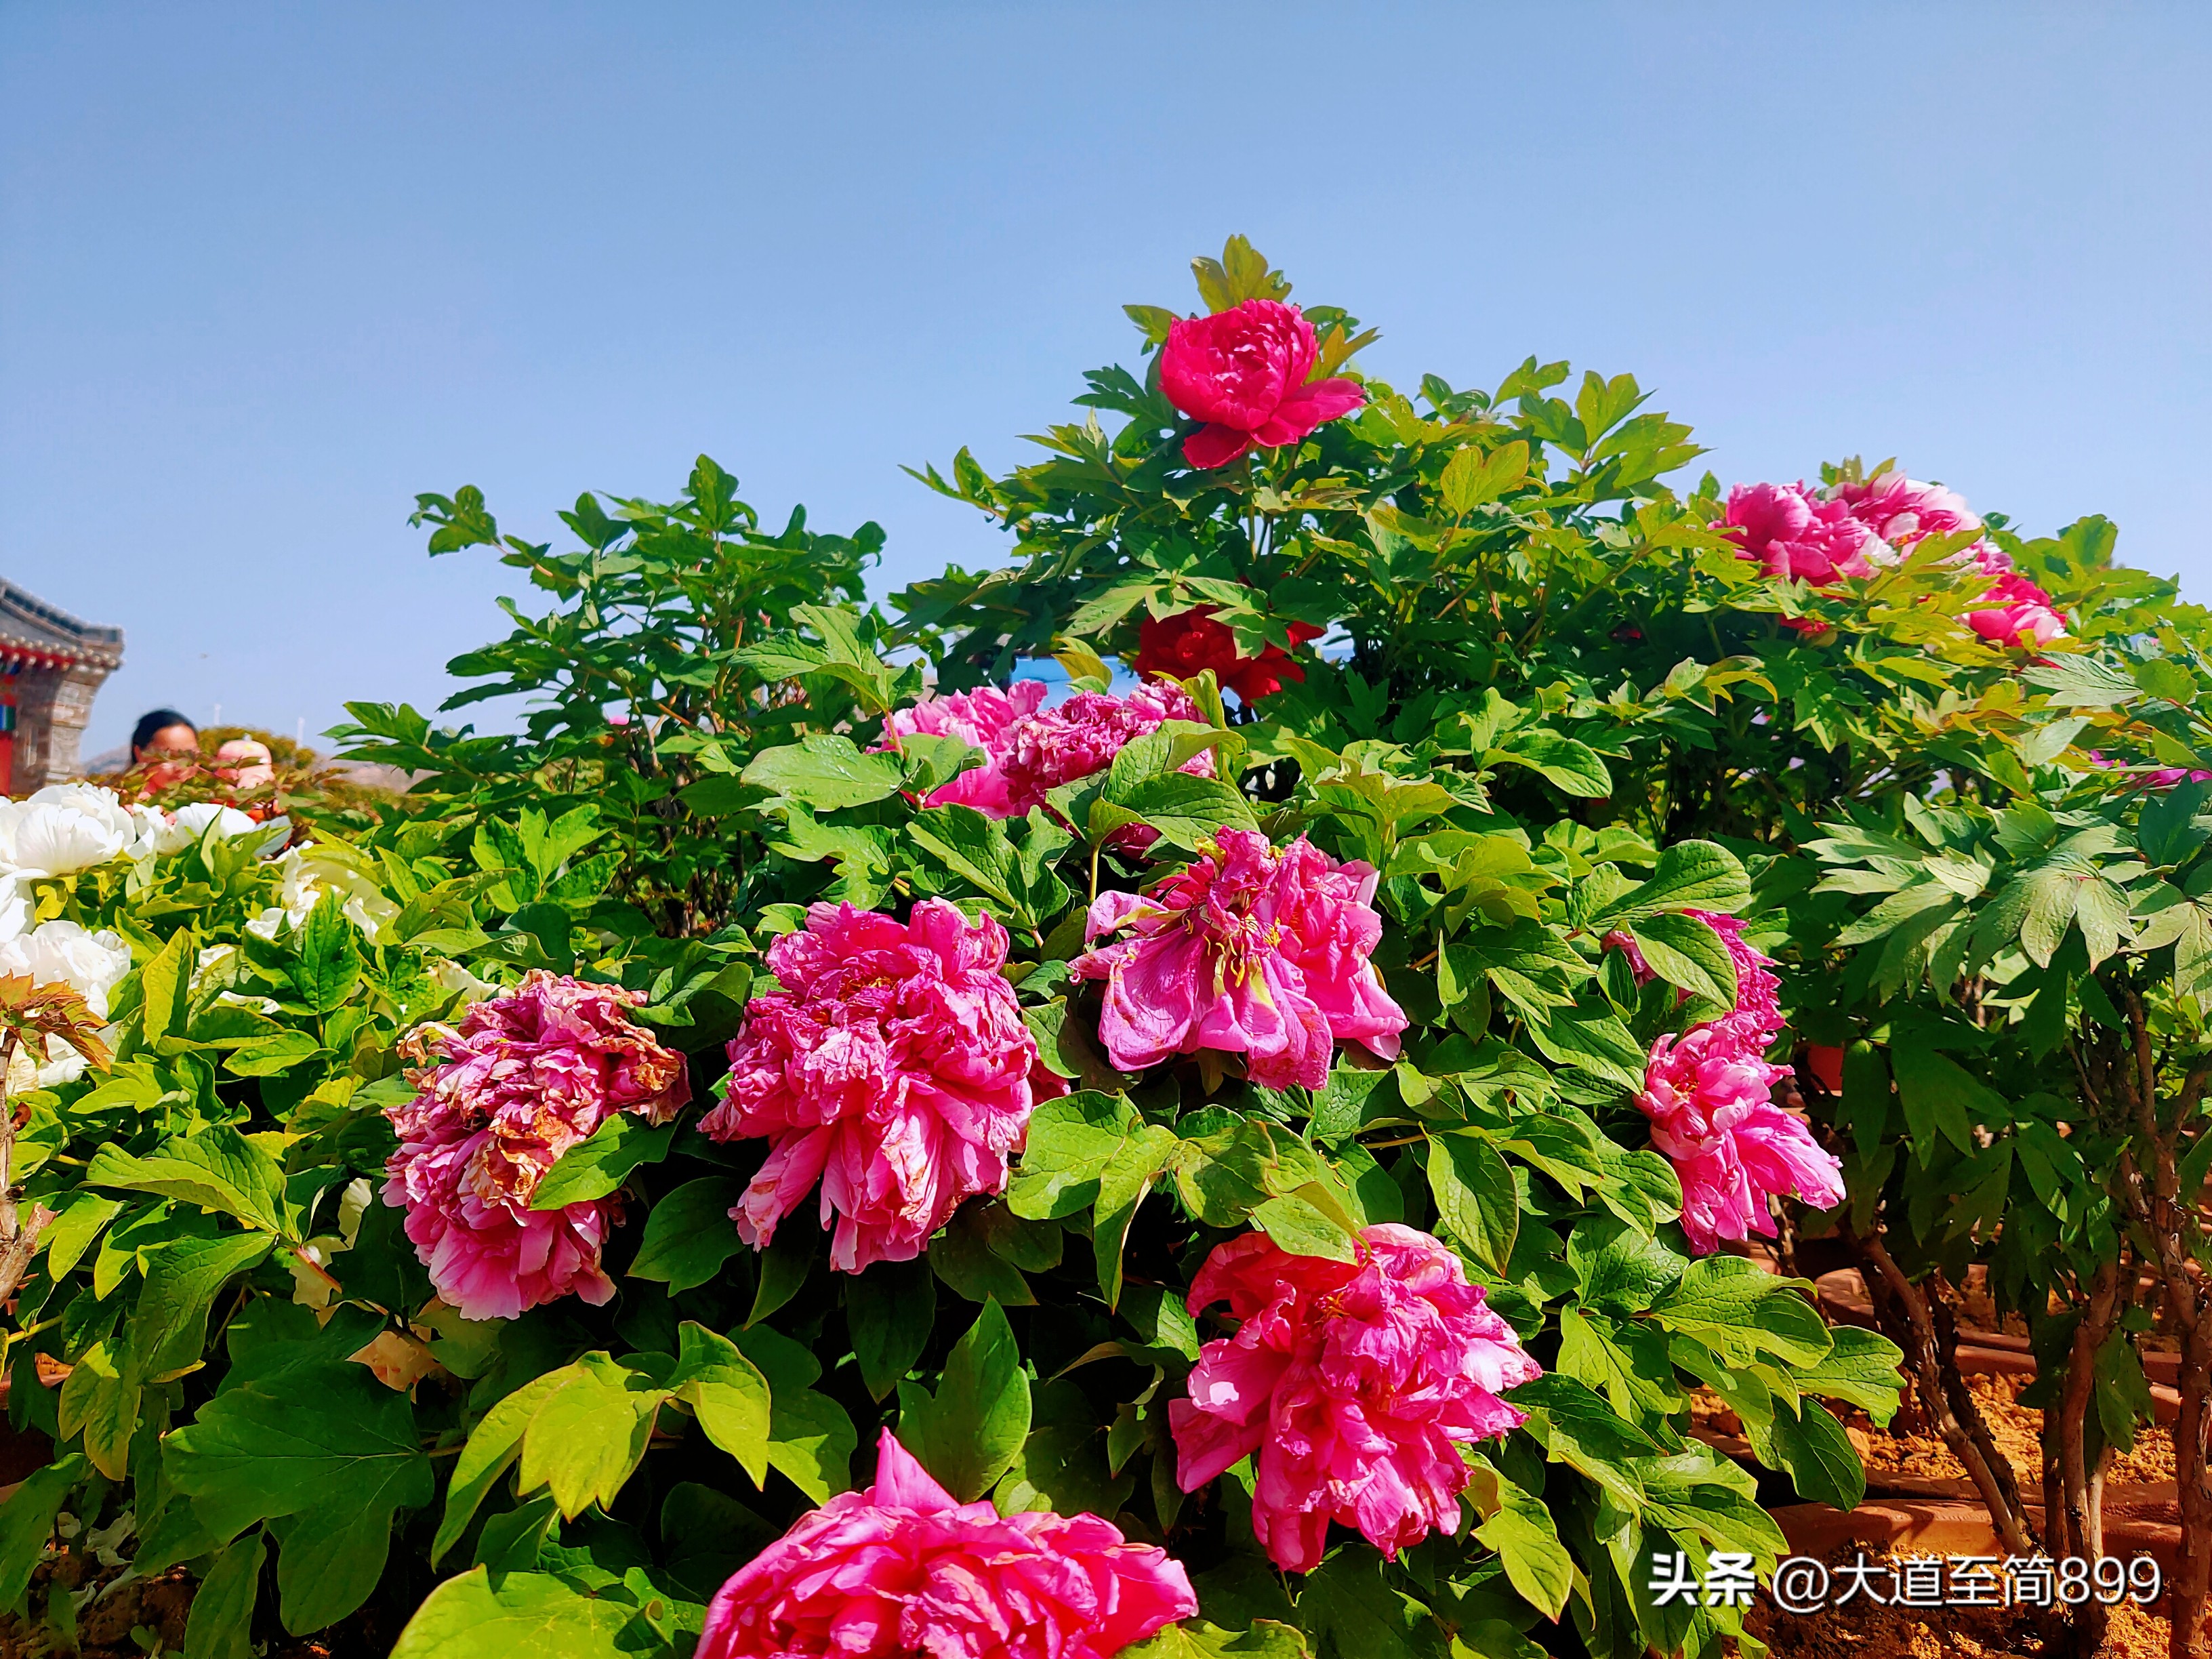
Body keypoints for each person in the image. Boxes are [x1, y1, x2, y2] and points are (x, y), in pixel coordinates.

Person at [130, 709, 200, 792]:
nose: (181, 768)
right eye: (170, 756)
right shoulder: (128, 802)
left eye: (190, 755)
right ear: (139, 754)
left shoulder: (209, 798)